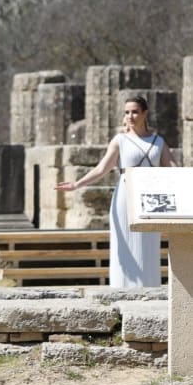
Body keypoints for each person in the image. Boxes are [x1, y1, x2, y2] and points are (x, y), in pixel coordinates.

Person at [56, 96, 178, 287]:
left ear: (145, 113)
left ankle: (149, 289)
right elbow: (101, 169)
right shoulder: (120, 140)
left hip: (150, 200)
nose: (130, 116)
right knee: (125, 245)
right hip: (125, 197)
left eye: (135, 111)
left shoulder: (158, 141)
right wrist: (76, 184)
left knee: (148, 246)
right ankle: (121, 289)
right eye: (127, 112)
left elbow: (174, 170)